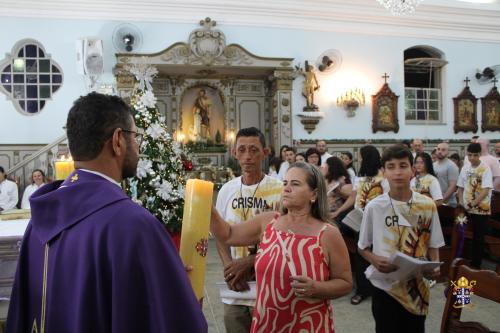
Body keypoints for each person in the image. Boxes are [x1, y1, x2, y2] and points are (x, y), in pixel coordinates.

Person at [6, 93, 207, 333]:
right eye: (135, 136)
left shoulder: (38, 223)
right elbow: (177, 321)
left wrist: (157, 271)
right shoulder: (135, 226)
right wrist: (171, 284)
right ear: (118, 140)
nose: (137, 146)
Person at [211, 162, 352, 332]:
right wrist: (207, 206)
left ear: (313, 194)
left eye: (295, 184)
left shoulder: (328, 233)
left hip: (307, 326)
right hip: (267, 325)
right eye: (285, 183)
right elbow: (228, 234)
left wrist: (317, 288)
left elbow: (345, 282)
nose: (286, 188)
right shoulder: (269, 221)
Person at [358, 145, 444, 333]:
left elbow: (434, 243)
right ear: (384, 172)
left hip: (416, 285)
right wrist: (374, 260)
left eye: (403, 166)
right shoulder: (374, 207)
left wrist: (435, 265)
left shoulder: (427, 205)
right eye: (391, 166)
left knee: (415, 328)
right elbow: (362, 247)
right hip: (385, 285)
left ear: (413, 170)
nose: (397, 172)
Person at [215, 127, 282, 333]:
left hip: (271, 285)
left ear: (265, 152)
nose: (247, 157)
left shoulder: (280, 190)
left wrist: (249, 263)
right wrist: (230, 269)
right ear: (234, 153)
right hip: (237, 287)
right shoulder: (227, 190)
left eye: (254, 150)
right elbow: (220, 235)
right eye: (241, 150)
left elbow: (286, 240)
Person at [344, 145, 388, 305]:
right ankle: (362, 290)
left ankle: (379, 288)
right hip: (360, 221)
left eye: (361, 157)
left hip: (379, 222)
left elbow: (387, 200)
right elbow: (355, 197)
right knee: (361, 255)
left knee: (377, 254)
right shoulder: (360, 176)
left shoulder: (383, 176)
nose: (359, 159)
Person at [457, 142, 493, 268]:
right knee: (461, 233)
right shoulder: (465, 168)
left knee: (478, 238)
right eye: (470, 155)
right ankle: (461, 261)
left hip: (480, 209)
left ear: (480, 155)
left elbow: (486, 189)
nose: (472, 158)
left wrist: (473, 203)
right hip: (465, 208)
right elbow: (460, 187)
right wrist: (461, 202)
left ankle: (476, 265)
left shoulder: (485, 168)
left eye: (475, 155)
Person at [324, 156, 354, 223]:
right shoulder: (326, 179)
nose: (324, 167)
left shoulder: (343, 180)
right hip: (325, 213)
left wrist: (339, 192)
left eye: (326, 165)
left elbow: (350, 198)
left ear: (332, 167)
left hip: (336, 215)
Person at [433, 142, 459, 207]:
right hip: (435, 202)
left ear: (448, 152)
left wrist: (441, 201)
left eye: (443, 150)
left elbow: (453, 187)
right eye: (438, 149)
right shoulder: (433, 165)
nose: (440, 151)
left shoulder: (452, 166)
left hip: (448, 204)